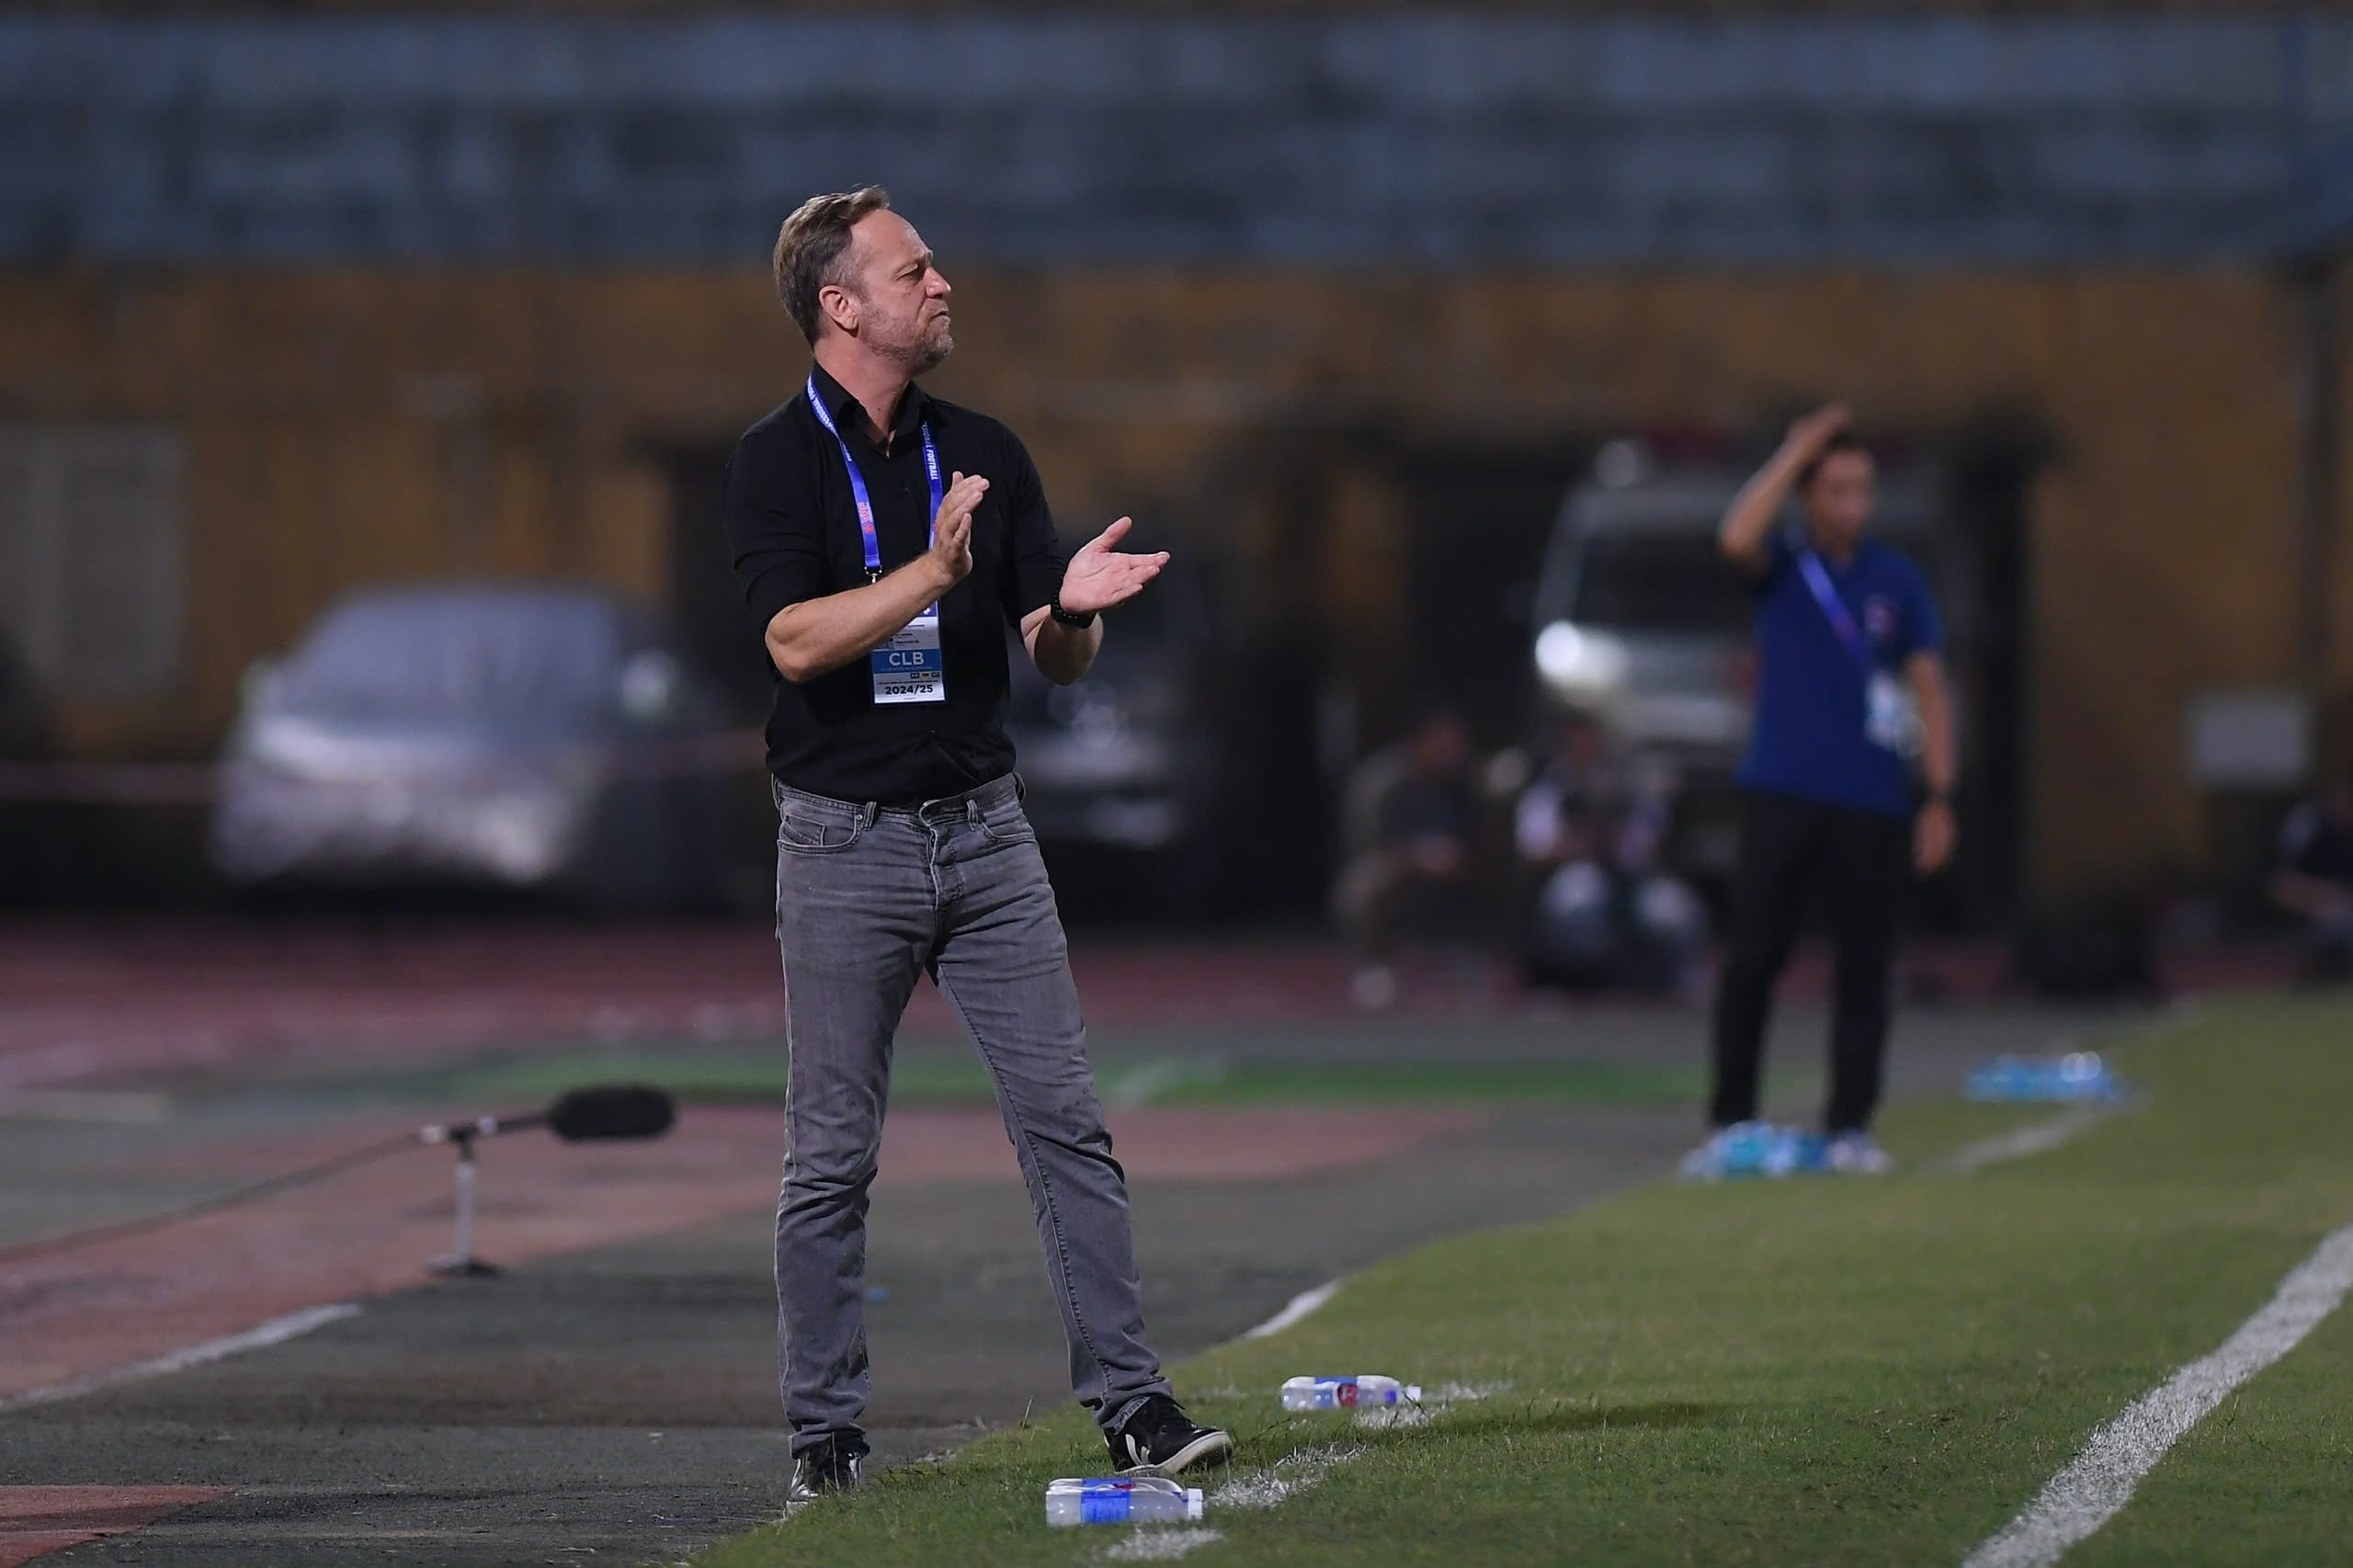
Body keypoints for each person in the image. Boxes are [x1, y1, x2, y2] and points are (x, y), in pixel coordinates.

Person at [722, 187, 1233, 1500]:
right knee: (831, 1154)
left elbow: (1053, 660)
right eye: (914, 268)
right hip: (842, 844)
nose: (943, 285)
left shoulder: (984, 449)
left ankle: (1134, 1403)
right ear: (843, 306)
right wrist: (932, 578)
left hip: (987, 836)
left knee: (1069, 1126)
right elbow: (792, 641)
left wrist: (1068, 606)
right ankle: (824, 1437)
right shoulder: (774, 461)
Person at [1686, 405, 1958, 1177]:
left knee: (1866, 968)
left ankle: (1850, 1128)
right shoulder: (1783, 567)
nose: (1852, 505)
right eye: (1835, 489)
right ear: (1809, 495)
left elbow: (1929, 685)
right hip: (1783, 789)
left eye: (1862, 490)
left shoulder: (1896, 580)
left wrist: (1939, 794)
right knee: (1754, 960)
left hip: (1872, 798)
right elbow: (1734, 537)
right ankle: (1731, 1121)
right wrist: (1792, 449)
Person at [1514, 712, 1705, 997]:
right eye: (1579, 743)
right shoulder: (1550, 791)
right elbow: (1533, 849)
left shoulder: (1628, 786)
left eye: (1592, 743)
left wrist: (1619, 841)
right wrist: (1574, 845)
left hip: (1634, 879)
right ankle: (1585, 984)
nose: (1587, 750)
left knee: (1676, 910)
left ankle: (1678, 982)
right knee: (1578, 903)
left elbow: (1653, 836)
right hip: (1578, 873)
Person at [1332, 709, 1482, 1009]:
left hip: (1455, 872)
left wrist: (1457, 857)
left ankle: (1467, 958)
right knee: (1364, 885)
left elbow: (1484, 839)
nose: (1449, 753)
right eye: (1441, 744)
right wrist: (1418, 858)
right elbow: (1366, 845)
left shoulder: (1464, 784)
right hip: (1398, 867)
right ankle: (1374, 966)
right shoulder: (1382, 783)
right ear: (1420, 743)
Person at [2271, 782, 2353, 984]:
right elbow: (2283, 885)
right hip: (2320, 908)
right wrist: (2320, 896)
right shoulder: (2315, 831)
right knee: (2338, 912)